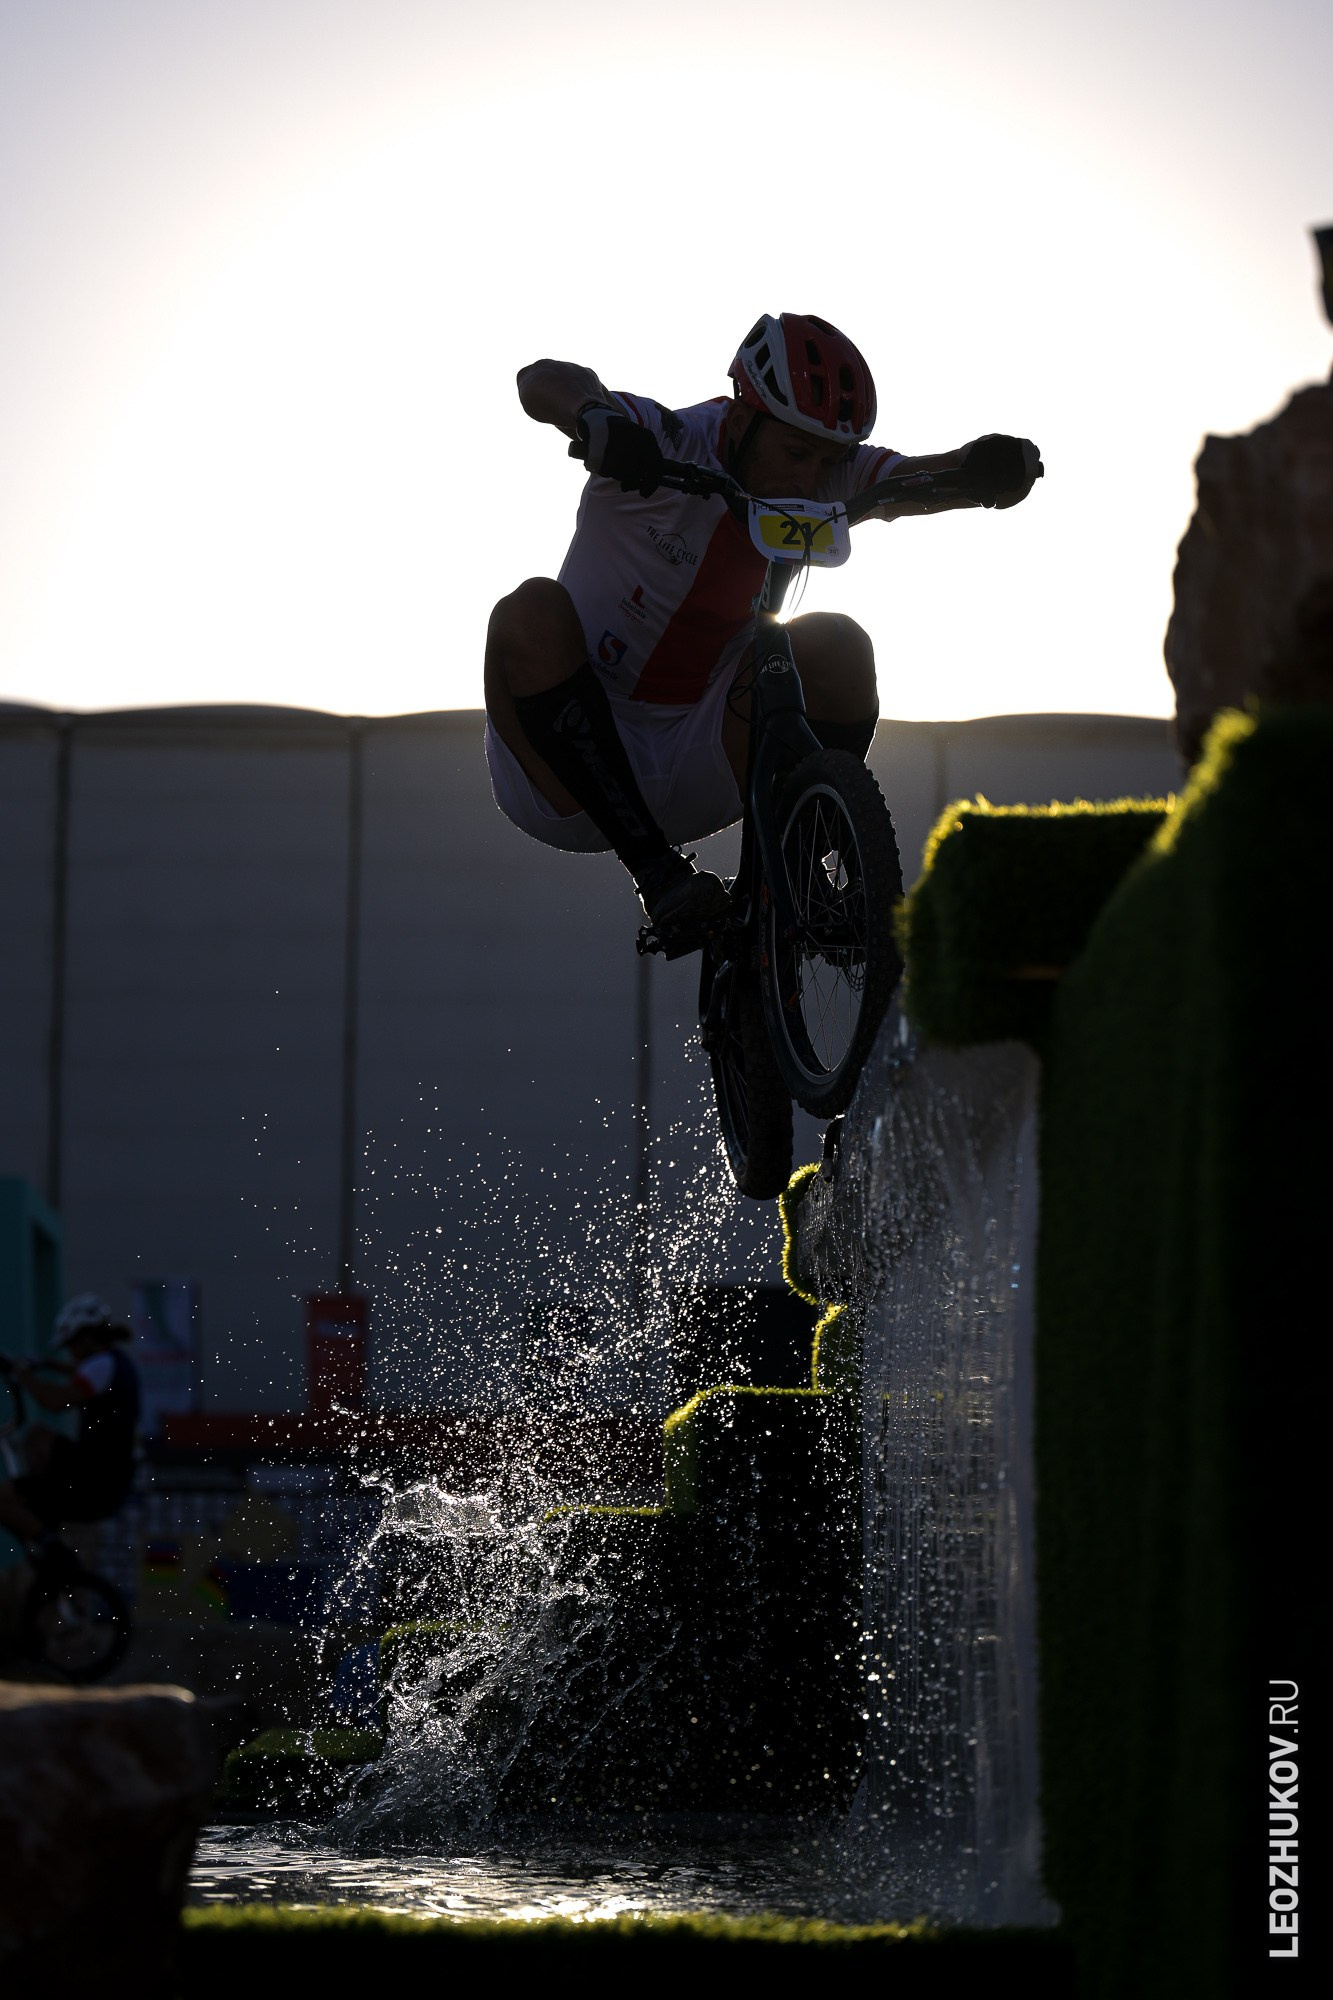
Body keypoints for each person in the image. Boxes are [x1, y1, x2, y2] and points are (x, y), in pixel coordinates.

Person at [485, 311, 1042, 953]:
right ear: (744, 419)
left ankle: (791, 886)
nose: (808, 480)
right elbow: (543, 379)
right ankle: (660, 879)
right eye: (797, 454)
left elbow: (914, 477)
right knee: (529, 611)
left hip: (697, 749)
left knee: (838, 645)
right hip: (562, 777)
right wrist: (594, 417)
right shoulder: (671, 437)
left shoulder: (821, 474)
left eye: (827, 460)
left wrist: (980, 469)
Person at [0, 1294, 141, 1546]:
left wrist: (22, 1375)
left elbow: (56, 1402)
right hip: (108, 1477)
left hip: (93, 1482)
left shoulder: (101, 1365)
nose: (71, 1353)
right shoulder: (117, 1363)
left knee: (31, 1447)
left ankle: (47, 1536)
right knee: (38, 1438)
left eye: (70, 1346)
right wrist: (44, 1364)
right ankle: (43, 1514)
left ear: (85, 1338)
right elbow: (78, 1371)